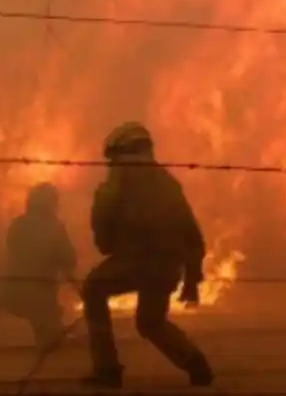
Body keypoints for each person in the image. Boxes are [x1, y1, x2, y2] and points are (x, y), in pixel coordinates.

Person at [80, 121, 213, 389]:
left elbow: (103, 225)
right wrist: (191, 278)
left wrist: (109, 245)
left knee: (93, 289)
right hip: (167, 267)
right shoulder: (167, 182)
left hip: (135, 261)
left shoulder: (118, 181)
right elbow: (192, 235)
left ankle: (107, 370)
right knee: (150, 322)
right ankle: (196, 365)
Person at [0, 182, 77, 352]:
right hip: (42, 299)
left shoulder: (17, 225)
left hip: (12, 293)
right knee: (52, 344)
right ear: (52, 205)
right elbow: (69, 262)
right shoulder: (55, 228)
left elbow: (12, 253)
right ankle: (53, 334)